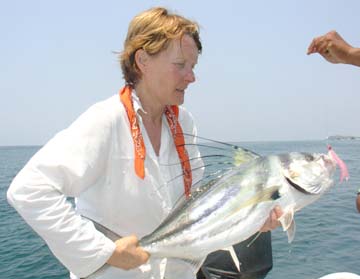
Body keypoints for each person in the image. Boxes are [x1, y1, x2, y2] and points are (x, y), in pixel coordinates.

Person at [7, 7, 281, 279]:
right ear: (143, 61)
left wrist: (250, 219)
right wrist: (105, 251)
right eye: (180, 65)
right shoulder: (106, 120)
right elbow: (29, 190)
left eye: (193, 66)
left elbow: (195, 209)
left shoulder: (184, 123)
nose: (192, 76)